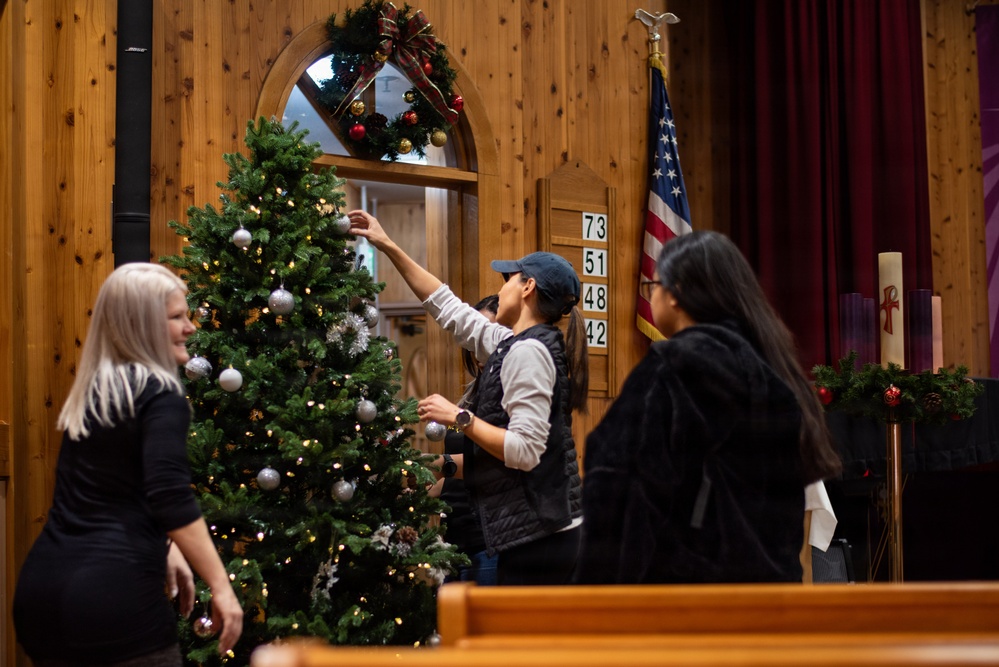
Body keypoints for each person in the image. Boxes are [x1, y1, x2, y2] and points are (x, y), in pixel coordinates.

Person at [574, 231, 842, 584]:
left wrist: (594, 595)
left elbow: (616, 489)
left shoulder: (673, 367)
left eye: (653, 285)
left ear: (675, 293)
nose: (651, 295)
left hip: (684, 597)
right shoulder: (776, 376)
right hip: (764, 597)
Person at [14, 263, 243, 666]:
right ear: (143, 326)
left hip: (42, 594)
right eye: (177, 317)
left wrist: (166, 546)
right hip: (112, 600)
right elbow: (169, 495)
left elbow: (112, 490)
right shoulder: (161, 395)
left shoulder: (97, 391)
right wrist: (222, 588)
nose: (190, 328)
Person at [347, 209, 589, 585]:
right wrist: (387, 244)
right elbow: (448, 308)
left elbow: (525, 452)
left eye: (508, 279)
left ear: (528, 288)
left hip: (540, 537)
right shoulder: (514, 342)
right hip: (536, 530)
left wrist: (459, 417)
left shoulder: (528, 352)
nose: (502, 288)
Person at [430, 295, 501, 585]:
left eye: (487, 335)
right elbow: (458, 475)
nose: (479, 347)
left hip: (488, 543)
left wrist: (439, 463)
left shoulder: (510, 393)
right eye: (475, 337)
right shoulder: (474, 392)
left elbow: (495, 461)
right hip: (456, 542)